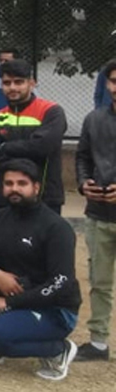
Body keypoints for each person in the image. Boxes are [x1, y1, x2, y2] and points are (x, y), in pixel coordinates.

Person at [0, 160, 82, 381]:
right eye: (9, 183)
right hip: (12, 292)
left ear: (36, 187)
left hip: (53, 309)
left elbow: (61, 282)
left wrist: (9, 303)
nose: (14, 189)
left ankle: (58, 349)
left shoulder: (57, 227)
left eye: (22, 183)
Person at [0, 59, 67, 214]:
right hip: (6, 198)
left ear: (32, 83)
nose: (12, 87)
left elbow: (43, 148)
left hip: (45, 196)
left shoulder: (51, 111)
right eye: (7, 83)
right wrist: (29, 150)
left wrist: (6, 147)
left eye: (19, 82)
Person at [74, 61, 116, 361]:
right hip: (99, 214)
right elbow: (82, 157)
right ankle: (99, 342)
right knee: (99, 281)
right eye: (113, 81)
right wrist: (82, 182)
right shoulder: (94, 119)